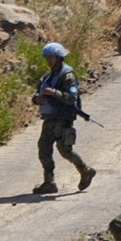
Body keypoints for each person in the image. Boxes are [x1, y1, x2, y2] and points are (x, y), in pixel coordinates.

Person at [31, 42, 95, 195]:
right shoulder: (47, 76)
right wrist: (37, 99)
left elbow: (71, 97)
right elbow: (37, 94)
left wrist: (54, 93)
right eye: (47, 58)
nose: (48, 60)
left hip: (62, 118)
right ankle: (49, 182)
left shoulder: (67, 75)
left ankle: (85, 170)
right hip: (49, 119)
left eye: (50, 57)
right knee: (44, 149)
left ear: (58, 58)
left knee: (65, 150)